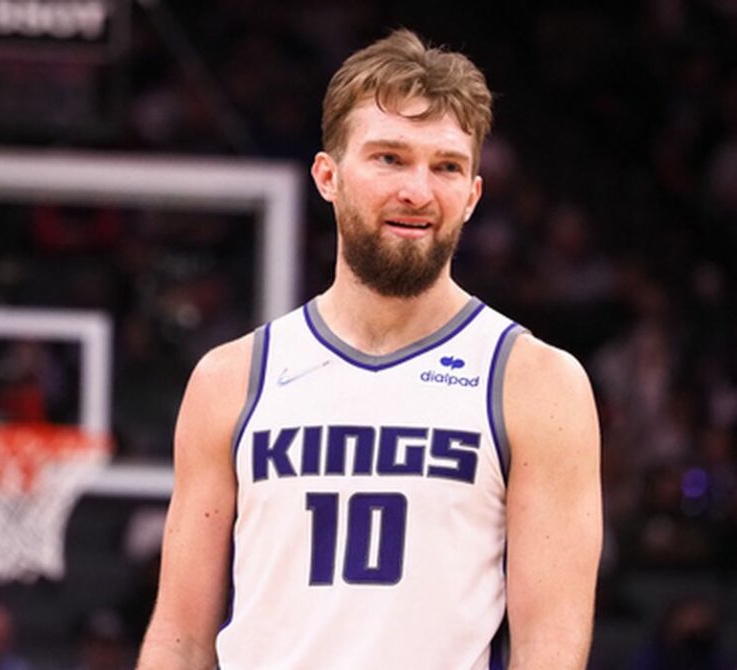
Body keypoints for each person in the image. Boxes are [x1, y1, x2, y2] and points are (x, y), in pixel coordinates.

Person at [136, 28, 603, 670]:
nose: (418, 191)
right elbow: (180, 637)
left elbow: (549, 646)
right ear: (328, 176)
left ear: (472, 196)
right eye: (389, 158)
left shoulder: (537, 382)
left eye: (446, 167)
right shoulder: (231, 378)